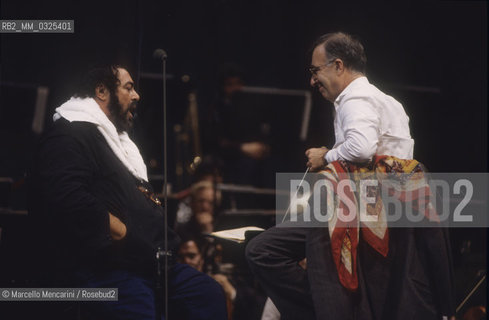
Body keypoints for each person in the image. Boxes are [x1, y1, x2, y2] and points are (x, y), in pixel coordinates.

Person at [246, 32, 454, 320]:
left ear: (339, 66)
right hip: (391, 213)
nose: (312, 80)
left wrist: (325, 156)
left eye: (315, 70)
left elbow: (362, 148)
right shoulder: (387, 100)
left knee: (262, 251)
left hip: (362, 209)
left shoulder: (354, 98)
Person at [28, 65, 227, 320]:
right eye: (129, 88)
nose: (137, 96)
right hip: (106, 268)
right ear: (102, 91)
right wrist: (122, 233)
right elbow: (67, 197)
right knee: (137, 305)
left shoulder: (118, 144)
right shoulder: (70, 134)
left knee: (206, 293)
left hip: (150, 264)